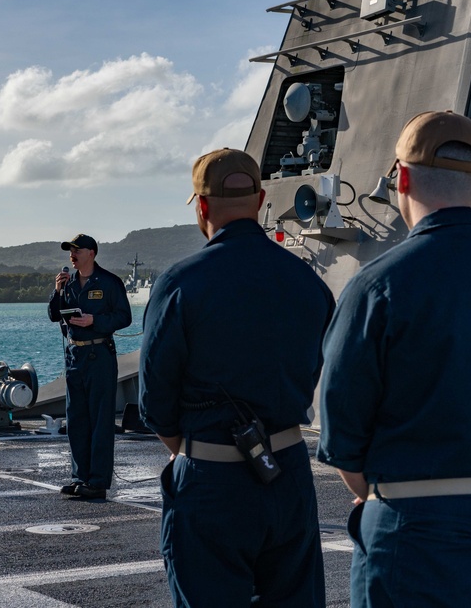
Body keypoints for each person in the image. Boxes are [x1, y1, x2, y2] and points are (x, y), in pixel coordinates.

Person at [318, 111, 471, 607]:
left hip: (419, 538)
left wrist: (378, 495)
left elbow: (343, 436)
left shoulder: (377, 285)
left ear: (403, 179)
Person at [139, 148, 335, 607]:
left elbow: (155, 401)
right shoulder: (306, 280)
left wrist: (190, 449)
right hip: (286, 473)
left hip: (211, 477)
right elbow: (314, 369)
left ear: (202, 207)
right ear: (261, 198)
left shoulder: (181, 282)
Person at [48, 233, 132, 500]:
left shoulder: (109, 282)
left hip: (99, 354)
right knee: (77, 419)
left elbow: (124, 317)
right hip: (75, 356)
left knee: (100, 420)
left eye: (77, 250)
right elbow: (53, 314)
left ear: (91, 253)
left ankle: (97, 482)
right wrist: (58, 291)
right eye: (70, 251)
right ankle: (80, 477)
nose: (72, 255)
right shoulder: (68, 282)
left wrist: (94, 320)